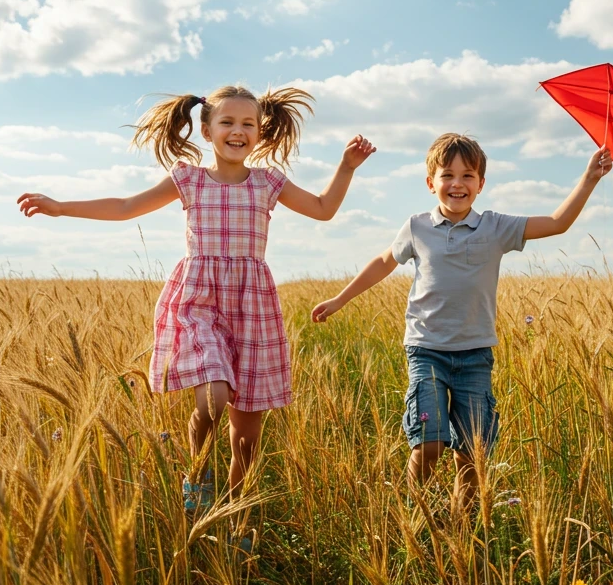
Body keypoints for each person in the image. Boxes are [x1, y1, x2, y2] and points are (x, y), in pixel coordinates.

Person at [19, 85, 375, 512]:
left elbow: (322, 208)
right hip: (199, 301)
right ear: (207, 130)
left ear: (260, 133)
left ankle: (234, 509)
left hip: (252, 306)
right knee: (214, 397)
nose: (238, 131)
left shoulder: (268, 183)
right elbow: (126, 205)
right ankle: (197, 474)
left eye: (248, 124)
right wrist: (61, 207)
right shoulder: (188, 178)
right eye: (227, 122)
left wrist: (347, 167)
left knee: (247, 433)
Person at [311, 132, 611, 518]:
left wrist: (589, 178)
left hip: (474, 354)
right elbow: (384, 261)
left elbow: (557, 223)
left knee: (473, 452)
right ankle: (413, 516)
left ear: (481, 184)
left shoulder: (496, 228)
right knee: (429, 442)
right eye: (447, 175)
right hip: (427, 350)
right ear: (430, 183)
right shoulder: (417, 227)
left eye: (468, 176)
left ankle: (460, 525)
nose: (457, 184)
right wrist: (340, 299)